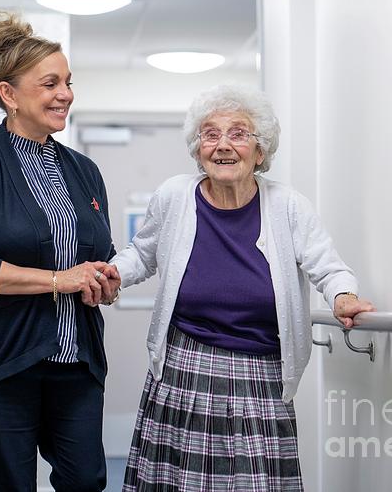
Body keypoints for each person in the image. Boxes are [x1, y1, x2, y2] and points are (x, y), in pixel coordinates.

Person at [110, 84, 375, 491]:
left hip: (261, 374)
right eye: (210, 134)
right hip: (184, 369)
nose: (223, 145)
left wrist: (344, 297)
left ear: (261, 150)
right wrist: (111, 274)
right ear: (198, 148)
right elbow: (142, 254)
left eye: (238, 134)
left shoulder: (288, 206)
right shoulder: (175, 196)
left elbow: (328, 265)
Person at [0, 13, 120, 492]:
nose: (65, 94)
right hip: (2, 361)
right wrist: (59, 279)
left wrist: (104, 280)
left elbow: (100, 252)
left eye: (68, 82)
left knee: (86, 482)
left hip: (76, 361)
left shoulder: (83, 171)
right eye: (50, 83)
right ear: (9, 94)